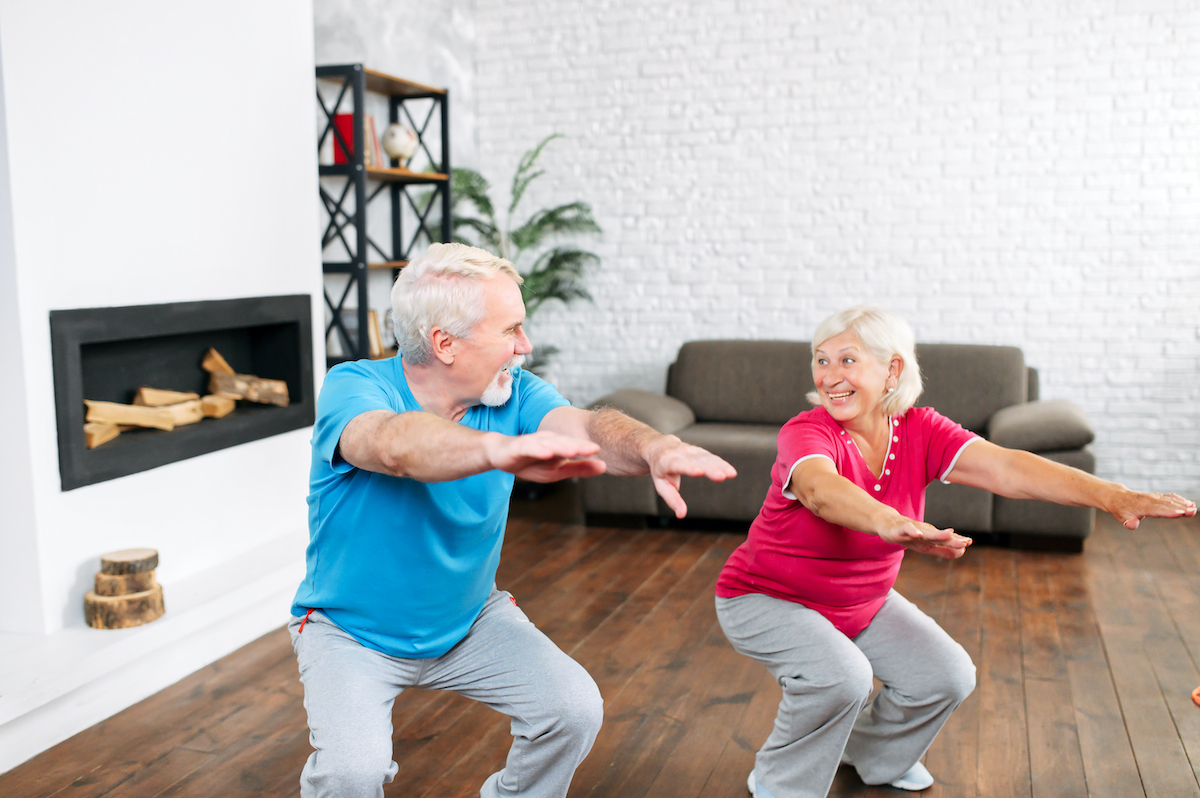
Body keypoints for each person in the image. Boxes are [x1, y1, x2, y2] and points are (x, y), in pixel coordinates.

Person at [289, 242, 736, 798]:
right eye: (510, 330)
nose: (524, 346)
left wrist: (653, 446)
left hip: (469, 621)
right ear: (445, 344)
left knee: (572, 709)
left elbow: (588, 428)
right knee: (351, 773)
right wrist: (495, 450)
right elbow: (393, 444)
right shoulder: (354, 385)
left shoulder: (513, 392)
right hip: (351, 633)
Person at [714, 306, 1195, 798]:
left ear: (892, 370)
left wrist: (1113, 496)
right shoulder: (807, 431)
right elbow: (820, 490)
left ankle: (871, 754)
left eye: (847, 360)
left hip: (859, 603)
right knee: (843, 678)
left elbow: (1009, 469)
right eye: (821, 360)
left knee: (945, 676)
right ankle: (781, 782)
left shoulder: (920, 430)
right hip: (765, 598)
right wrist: (891, 522)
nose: (830, 376)